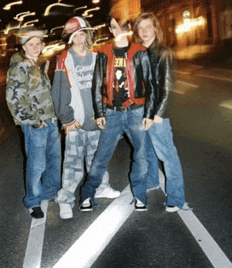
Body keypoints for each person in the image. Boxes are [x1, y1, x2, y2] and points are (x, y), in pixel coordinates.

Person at [79, 16, 156, 212]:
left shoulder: (140, 52)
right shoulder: (104, 53)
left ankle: (140, 196)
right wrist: (99, 112)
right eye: (112, 27)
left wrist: (149, 112)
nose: (114, 30)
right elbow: (97, 85)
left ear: (126, 28)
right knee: (101, 156)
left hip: (136, 111)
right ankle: (87, 194)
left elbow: (150, 84)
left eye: (117, 26)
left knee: (141, 156)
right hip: (112, 112)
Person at [52, 17, 120, 220]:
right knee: (72, 165)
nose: (79, 38)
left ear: (88, 35)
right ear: (70, 38)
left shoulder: (97, 57)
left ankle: (101, 188)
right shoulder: (64, 59)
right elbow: (59, 92)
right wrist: (67, 120)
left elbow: (107, 86)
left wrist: (104, 112)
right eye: (75, 35)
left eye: (82, 34)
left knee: (97, 160)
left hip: (96, 119)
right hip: (76, 122)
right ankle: (65, 200)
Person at [133, 12, 189, 212]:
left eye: (149, 27)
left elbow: (167, 86)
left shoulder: (163, 52)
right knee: (148, 150)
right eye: (141, 28)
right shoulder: (138, 52)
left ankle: (176, 197)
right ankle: (152, 181)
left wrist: (158, 115)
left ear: (156, 28)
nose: (145, 31)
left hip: (156, 113)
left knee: (167, 154)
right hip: (140, 110)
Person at [5, 26, 61, 219]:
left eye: (38, 43)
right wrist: (35, 122)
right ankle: (33, 201)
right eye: (31, 44)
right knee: (37, 164)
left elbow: (43, 94)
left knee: (53, 160)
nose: (36, 47)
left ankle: (50, 192)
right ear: (23, 46)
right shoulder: (19, 67)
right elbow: (14, 100)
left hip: (50, 121)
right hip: (36, 125)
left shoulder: (37, 64)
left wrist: (53, 114)